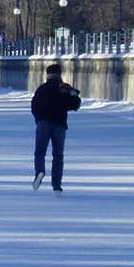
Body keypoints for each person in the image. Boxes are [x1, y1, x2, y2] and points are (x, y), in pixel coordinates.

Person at [30, 63, 82, 193]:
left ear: (47, 75)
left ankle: (40, 171)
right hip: (59, 125)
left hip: (43, 123)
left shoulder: (42, 89)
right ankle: (57, 185)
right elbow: (75, 105)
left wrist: (38, 119)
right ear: (60, 74)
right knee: (58, 156)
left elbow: (34, 105)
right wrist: (73, 94)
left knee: (40, 152)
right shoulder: (64, 88)